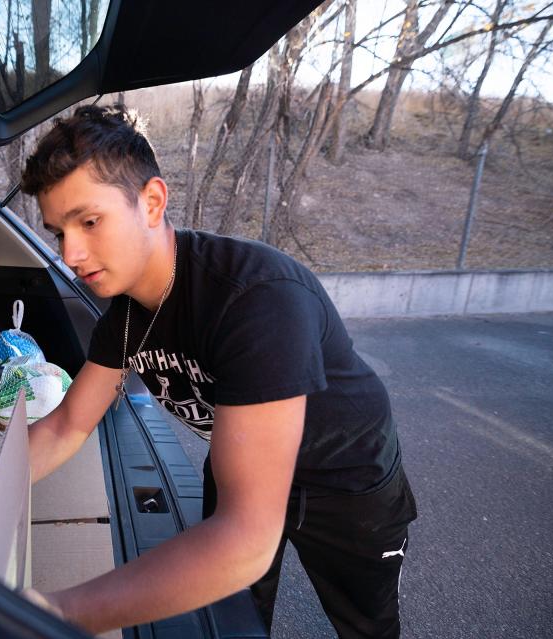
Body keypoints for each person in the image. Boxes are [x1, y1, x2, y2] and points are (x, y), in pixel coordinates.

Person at [22, 104, 417, 638]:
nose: (71, 253)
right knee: (234, 618)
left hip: (348, 480)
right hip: (244, 463)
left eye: (89, 221)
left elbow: (245, 540)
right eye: (57, 232)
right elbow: (66, 425)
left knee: (366, 626)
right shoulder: (126, 316)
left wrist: (58, 616)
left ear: (153, 202)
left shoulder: (257, 299)